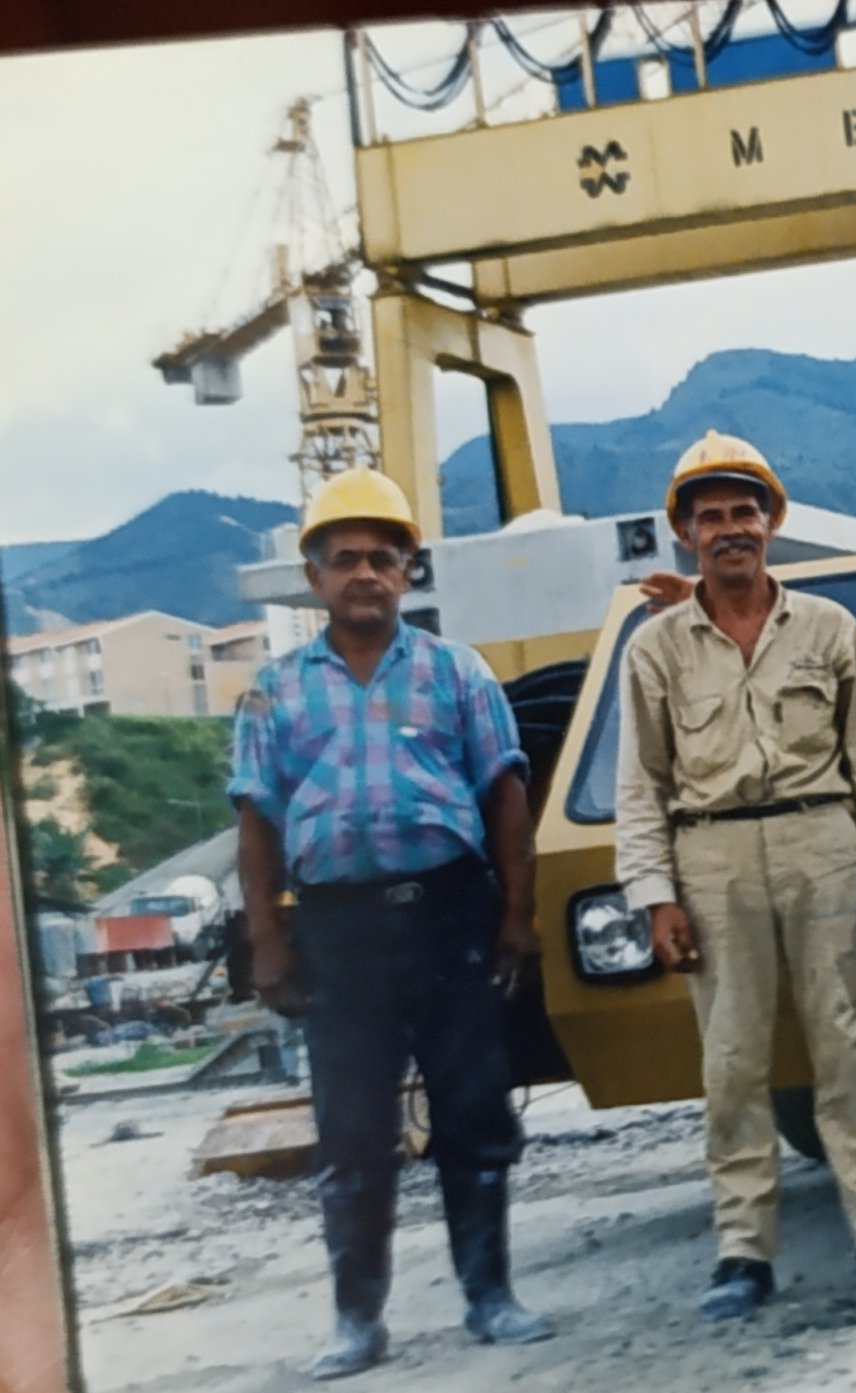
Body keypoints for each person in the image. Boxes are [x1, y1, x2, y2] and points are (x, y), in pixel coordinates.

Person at [228, 467, 554, 1380]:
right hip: (338, 932)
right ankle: (357, 1320)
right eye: (345, 559)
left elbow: (506, 798)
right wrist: (268, 941)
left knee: (474, 1111)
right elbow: (256, 823)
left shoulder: (459, 673)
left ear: (410, 570)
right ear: (315, 577)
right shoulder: (273, 692)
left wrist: (516, 916)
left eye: (383, 557)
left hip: (449, 914)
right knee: (352, 1128)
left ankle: (490, 1295)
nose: (365, 573)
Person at [613, 431, 856, 1320]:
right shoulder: (656, 648)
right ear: (686, 533)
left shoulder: (826, 628)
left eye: (744, 511)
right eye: (710, 516)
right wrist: (655, 896)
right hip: (710, 856)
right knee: (731, 1060)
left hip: (821, 843)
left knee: (846, 1044)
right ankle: (743, 1251)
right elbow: (640, 782)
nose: (730, 529)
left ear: (771, 523)